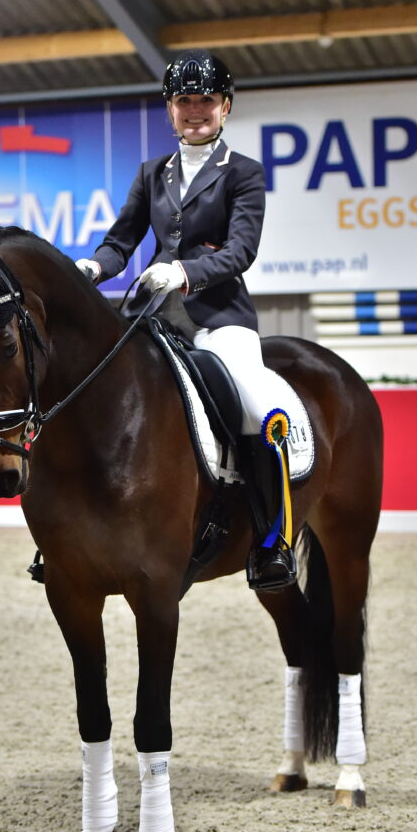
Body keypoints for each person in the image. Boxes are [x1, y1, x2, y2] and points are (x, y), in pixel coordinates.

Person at [75, 49, 295, 592]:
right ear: (170, 109)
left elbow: (241, 251)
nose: (195, 110)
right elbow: (121, 241)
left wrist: (184, 272)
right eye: (184, 101)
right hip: (151, 311)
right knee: (87, 390)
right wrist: (92, 267)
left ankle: (273, 539)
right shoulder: (152, 174)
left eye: (206, 101)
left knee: (254, 405)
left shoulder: (243, 172)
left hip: (219, 315)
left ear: (224, 108)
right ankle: (66, 532)